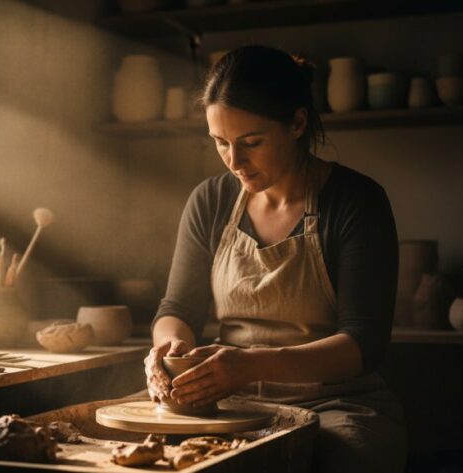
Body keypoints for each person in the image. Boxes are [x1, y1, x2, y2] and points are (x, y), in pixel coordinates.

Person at [144, 45, 407, 472]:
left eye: (251, 142)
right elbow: (176, 309)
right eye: (220, 143)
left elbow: (364, 344)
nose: (234, 161)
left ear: (297, 123)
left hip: (335, 403)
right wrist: (169, 349)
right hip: (227, 401)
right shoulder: (210, 200)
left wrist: (249, 366)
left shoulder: (355, 201)